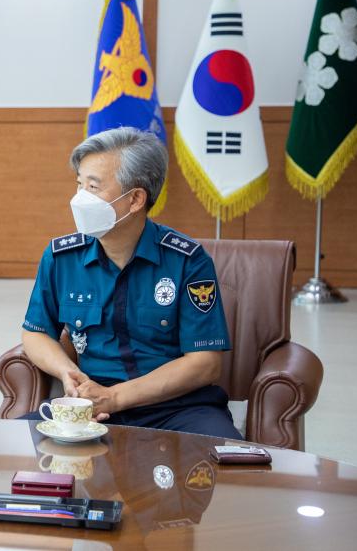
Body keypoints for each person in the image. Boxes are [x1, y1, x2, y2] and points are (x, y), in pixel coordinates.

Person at [21, 126, 242, 439]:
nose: (79, 198)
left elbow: (205, 363)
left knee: (230, 463)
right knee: (17, 448)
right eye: (79, 184)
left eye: (93, 187)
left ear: (136, 198)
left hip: (177, 409)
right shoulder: (61, 257)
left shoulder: (187, 261)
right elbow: (35, 333)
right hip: (88, 408)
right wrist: (67, 373)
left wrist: (116, 397)